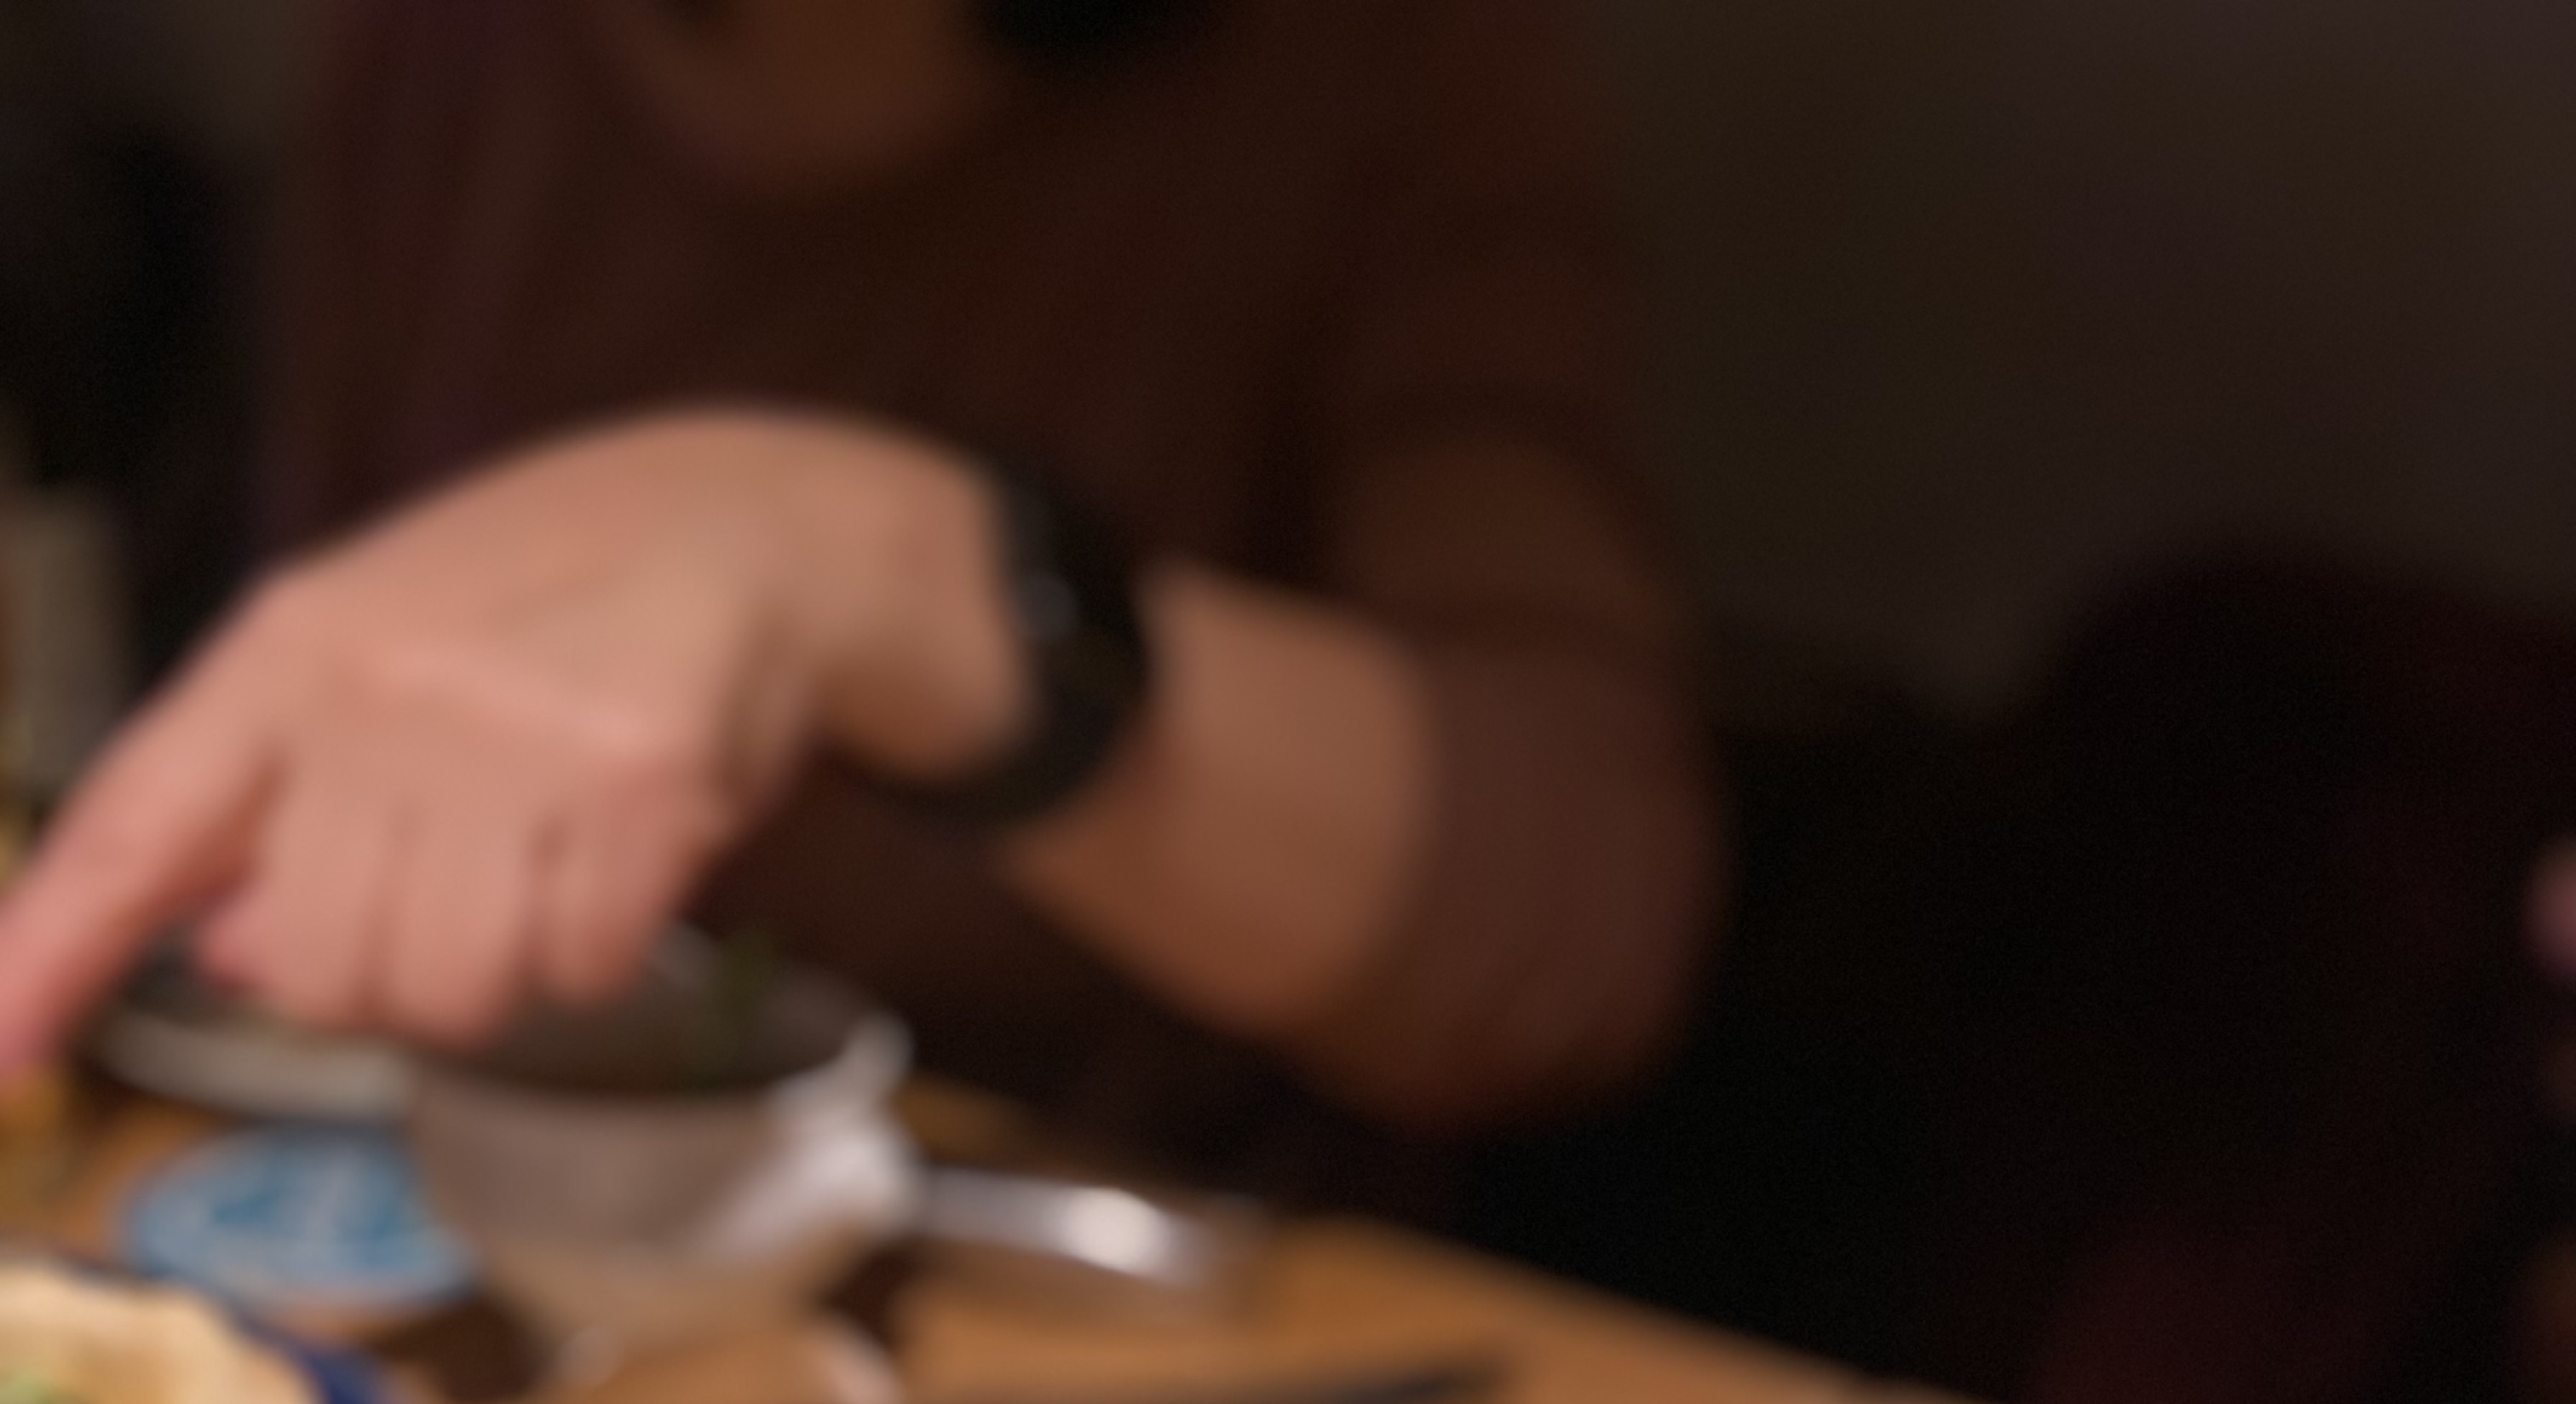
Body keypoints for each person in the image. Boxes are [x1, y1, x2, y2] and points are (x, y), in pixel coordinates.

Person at [0, 0, 1718, 1209]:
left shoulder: (1378, 70)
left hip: (1137, 1296)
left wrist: (880, 564)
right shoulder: (440, 53)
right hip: (510, 1240)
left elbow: (1574, 925)